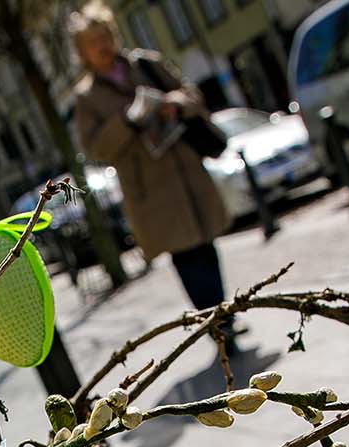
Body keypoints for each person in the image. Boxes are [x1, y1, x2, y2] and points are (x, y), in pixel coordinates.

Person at [70, 2, 238, 351]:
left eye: (105, 37)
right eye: (93, 42)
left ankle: (226, 320)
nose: (102, 46)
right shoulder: (87, 96)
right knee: (186, 256)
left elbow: (191, 94)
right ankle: (218, 327)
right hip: (151, 191)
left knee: (206, 246)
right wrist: (127, 120)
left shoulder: (146, 64)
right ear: (82, 52)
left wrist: (175, 103)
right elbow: (96, 147)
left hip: (186, 172)